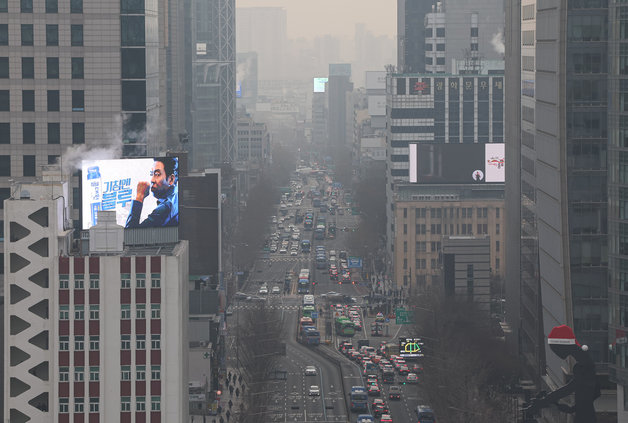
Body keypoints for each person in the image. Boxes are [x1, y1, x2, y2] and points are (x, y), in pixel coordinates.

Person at [523, 325, 600, 423]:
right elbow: (596, 392)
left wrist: (543, 402)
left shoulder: (583, 365)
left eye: (555, 348)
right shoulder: (585, 361)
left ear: (563, 346)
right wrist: (574, 408)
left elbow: (569, 388)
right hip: (586, 415)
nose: (556, 353)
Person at [125, 157, 179, 228]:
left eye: (157, 174)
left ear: (171, 179)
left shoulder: (165, 208)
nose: (152, 180)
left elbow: (131, 234)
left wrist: (139, 197)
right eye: (152, 174)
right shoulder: (176, 196)